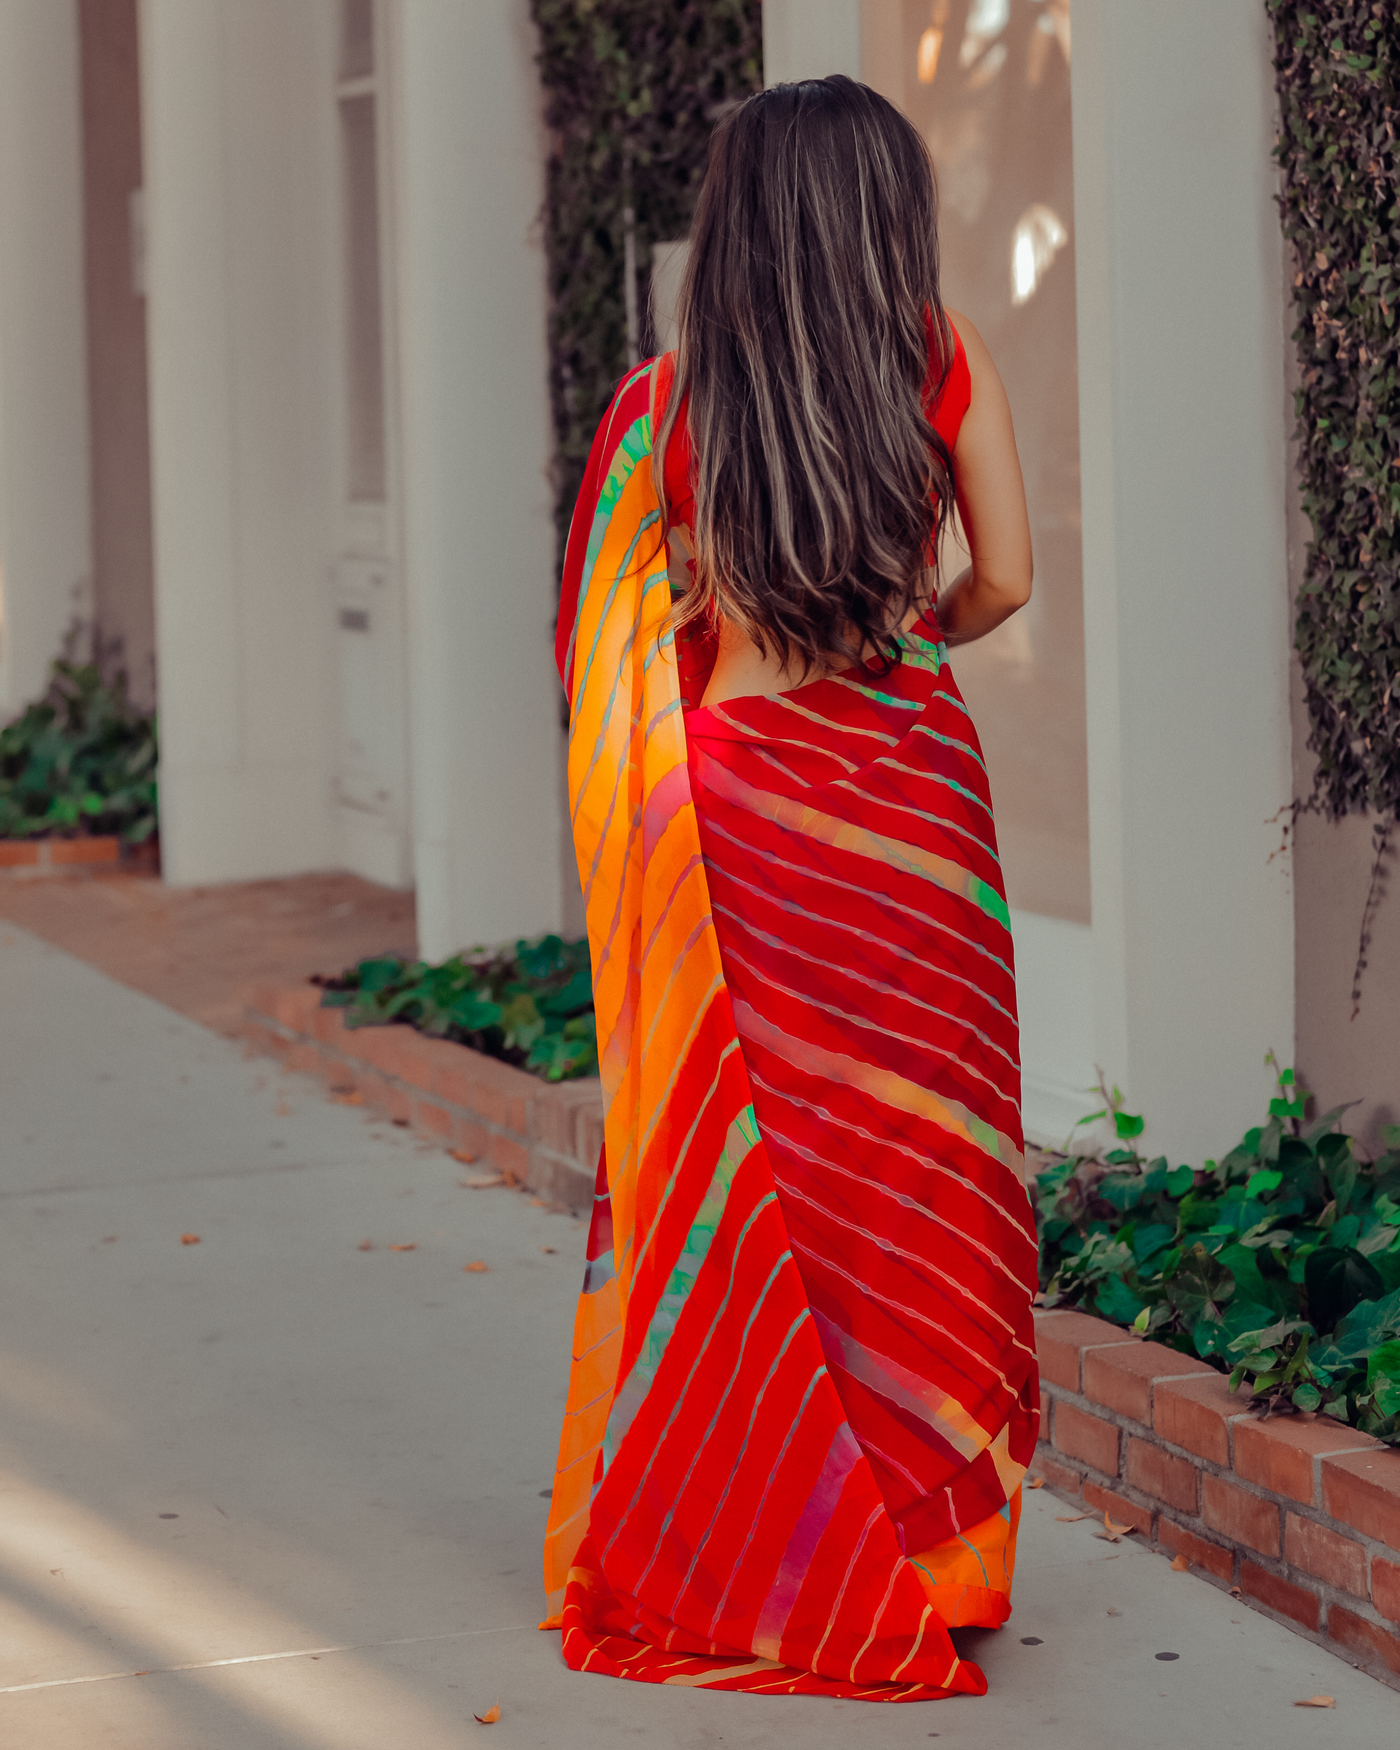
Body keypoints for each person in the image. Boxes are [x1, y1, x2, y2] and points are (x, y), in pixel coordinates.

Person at [544, 75, 1039, 1704]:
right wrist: (913, 636)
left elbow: (599, 650)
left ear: (738, 217)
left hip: (742, 819)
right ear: (887, 210)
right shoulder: (940, 356)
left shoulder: (666, 407)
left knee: (769, 1180)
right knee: (925, 1172)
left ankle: (756, 1528)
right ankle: (938, 1554)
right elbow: (1008, 577)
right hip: (913, 818)